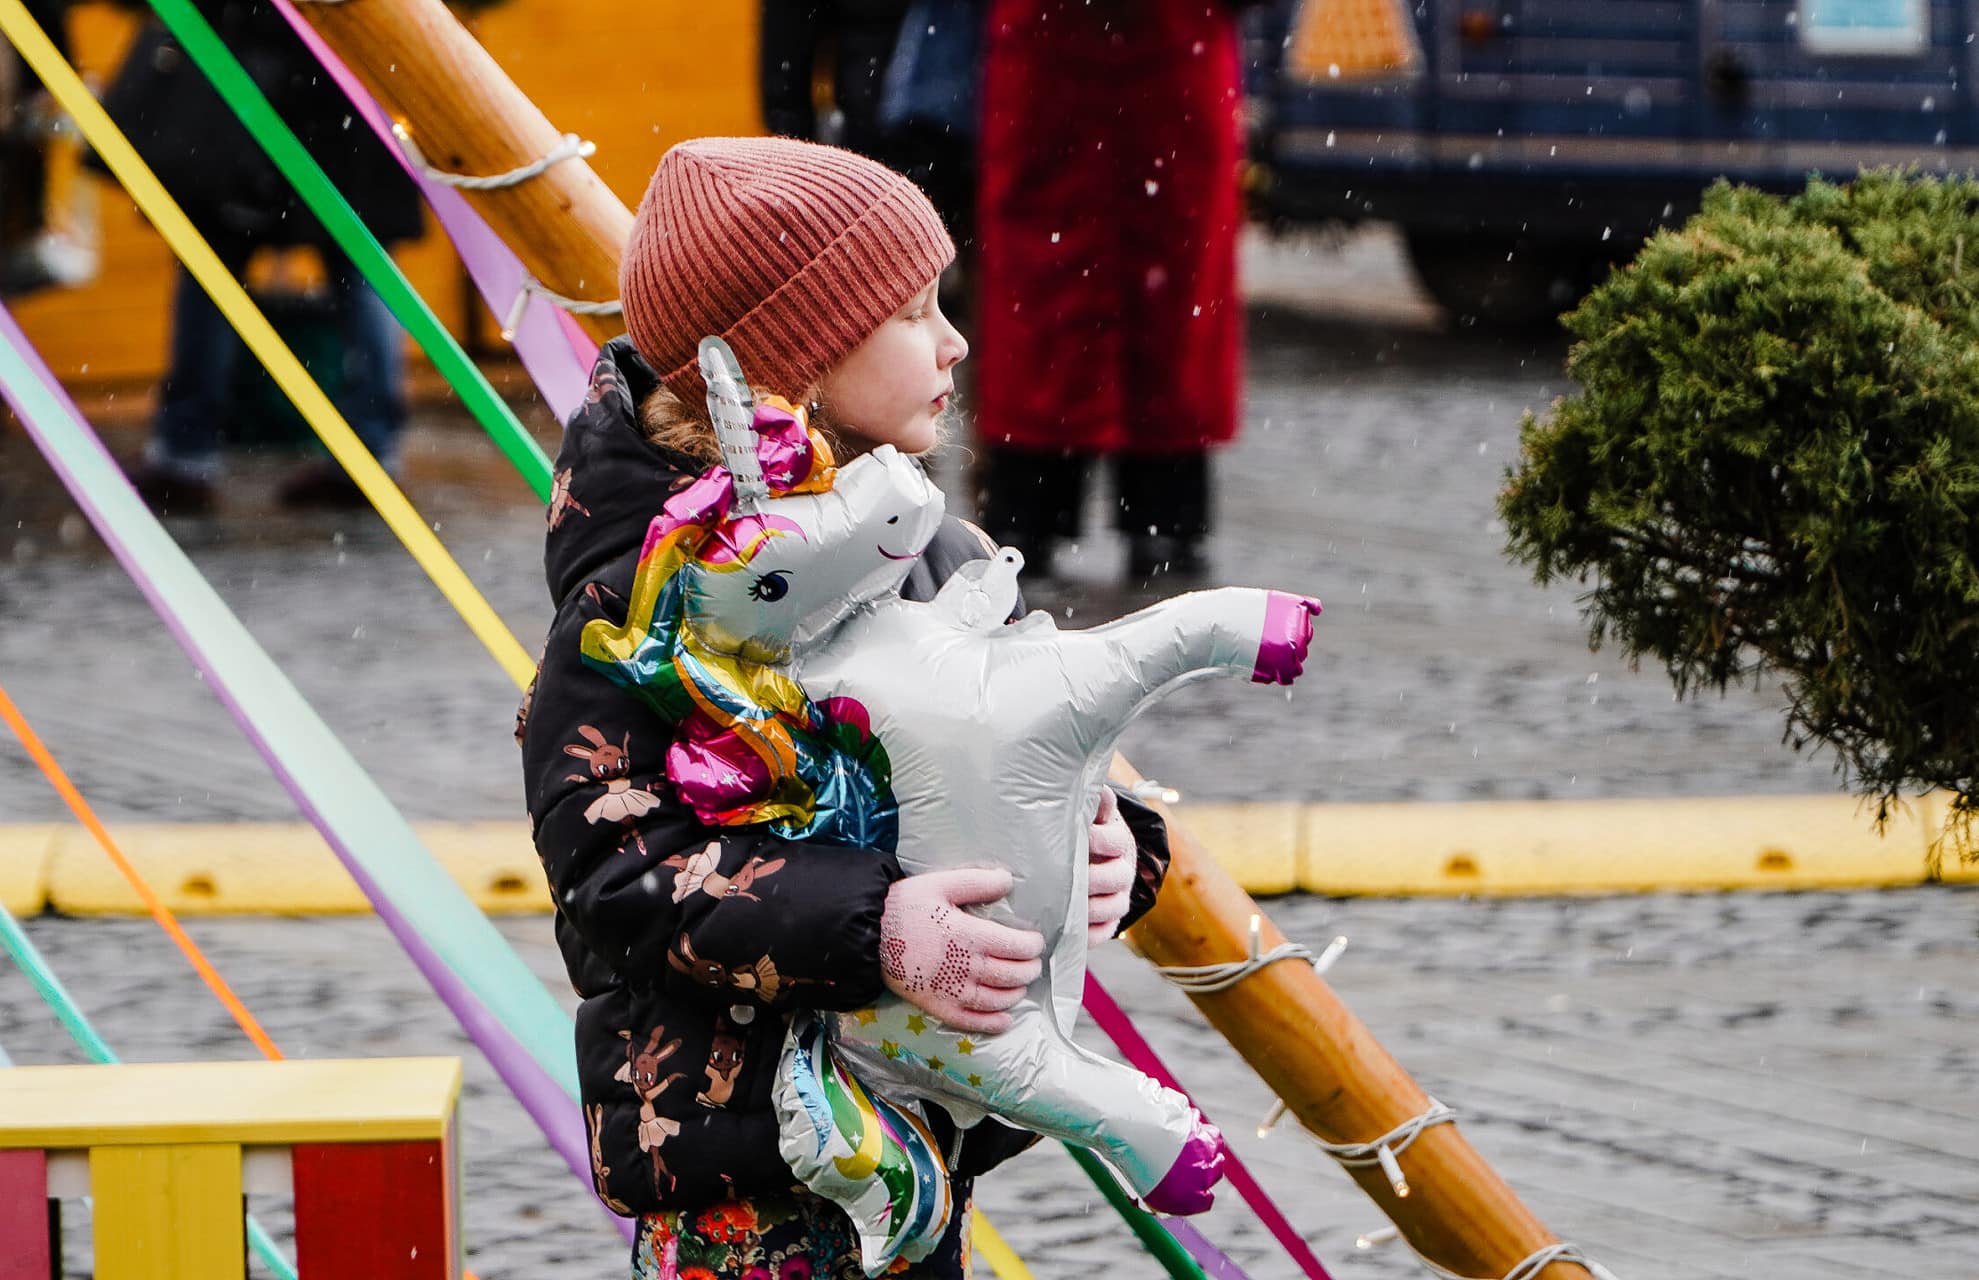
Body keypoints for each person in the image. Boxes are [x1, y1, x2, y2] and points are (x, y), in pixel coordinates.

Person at [517, 136, 1177, 1279]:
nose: (953, 339)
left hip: (915, 1146)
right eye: (913, 311)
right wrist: (869, 926)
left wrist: (1112, 834)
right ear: (797, 360)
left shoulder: (932, 552)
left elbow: (1027, 733)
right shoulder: (645, 604)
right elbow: (619, 869)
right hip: (747, 1177)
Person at [102, 2, 423, 514]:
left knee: (214, 274)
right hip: (343, 82)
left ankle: (187, 455)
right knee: (359, 271)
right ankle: (370, 453)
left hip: (255, 90)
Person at [971, 0, 1248, 582]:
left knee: (1167, 293)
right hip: (1076, 64)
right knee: (1053, 287)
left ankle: (1120, 511)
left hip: (1153, 60)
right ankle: (1060, 508)